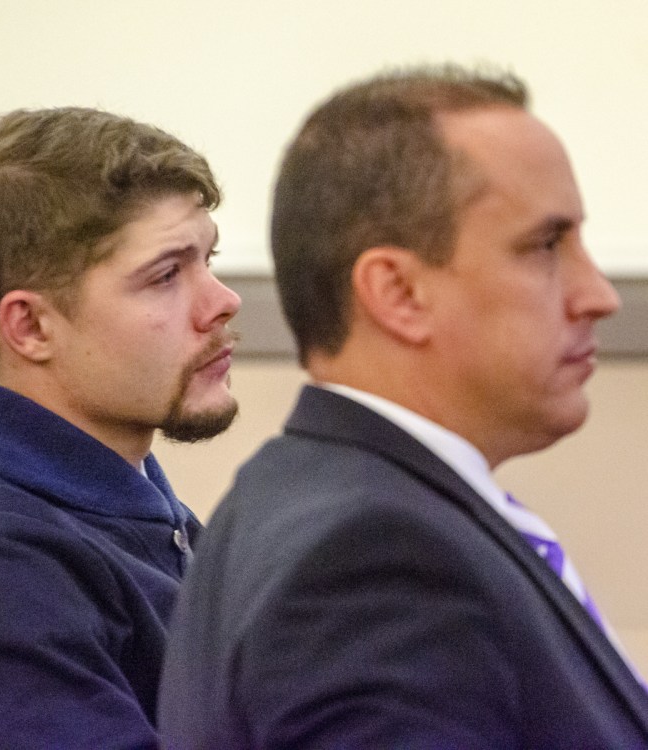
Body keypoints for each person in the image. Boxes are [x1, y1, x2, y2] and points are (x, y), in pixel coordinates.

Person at [158, 64, 648, 748]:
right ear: (398, 294)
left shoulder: (330, 501)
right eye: (545, 246)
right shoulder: (371, 562)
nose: (599, 294)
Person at [0, 107, 240, 748]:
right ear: (30, 327)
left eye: (208, 259)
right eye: (166, 275)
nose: (223, 300)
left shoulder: (132, 514)